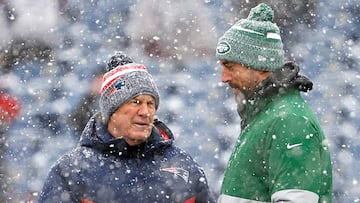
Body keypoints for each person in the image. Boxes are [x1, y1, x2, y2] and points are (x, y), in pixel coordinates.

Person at [38, 52, 215, 203]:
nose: (145, 112)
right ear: (112, 111)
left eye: (151, 103)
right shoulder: (72, 171)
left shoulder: (183, 164)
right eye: (136, 102)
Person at [215, 3, 332, 203]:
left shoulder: (289, 120)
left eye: (230, 66)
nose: (223, 77)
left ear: (260, 67)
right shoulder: (267, 116)